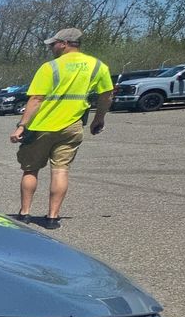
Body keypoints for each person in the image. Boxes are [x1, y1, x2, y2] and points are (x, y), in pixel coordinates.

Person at [10, 28, 112, 230]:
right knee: (60, 170)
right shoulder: (98, 66)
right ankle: (52, 217)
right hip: (72, 126)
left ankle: (25, 213)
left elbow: (36, 99)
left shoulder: (50, 68)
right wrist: (99, 118)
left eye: (53, 44)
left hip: (42, 126)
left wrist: (22, 126)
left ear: (64, 43)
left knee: (30, 169)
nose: (51, 48)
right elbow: (106, 95)